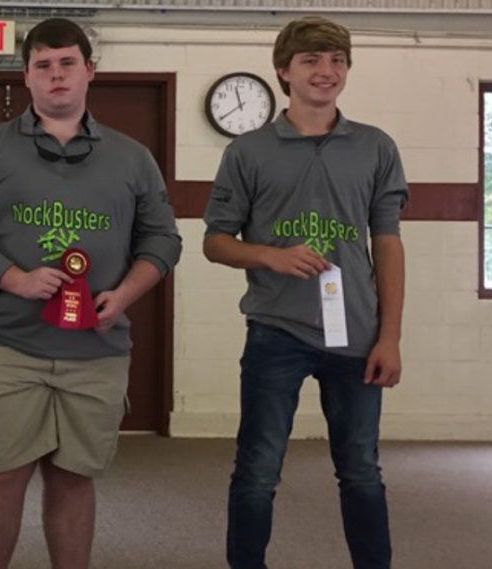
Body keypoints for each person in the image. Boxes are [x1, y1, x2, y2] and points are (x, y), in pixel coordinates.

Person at [0, 17, 182, 569]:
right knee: (2, 477)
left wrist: (124, 295)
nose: (56, 76)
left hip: (95, 349)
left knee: (73, 480)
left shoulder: (133, 157)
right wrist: (13, 278)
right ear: (26, 77)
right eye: (43, 66)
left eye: (67, 63)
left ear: (89, 71)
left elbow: (163, 239)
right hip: (0, 344)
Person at [202, 16, 407, 569]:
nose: (327, 70)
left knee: (361, 469)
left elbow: (387, 244)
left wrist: (389, 337)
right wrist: (269, 254)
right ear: (283, 72)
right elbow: (215, 242)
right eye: (312, 60)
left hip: (358, 336)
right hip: (276, 330)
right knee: (258, 469)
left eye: (337, 60)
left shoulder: (375, 147)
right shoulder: (247, 151)